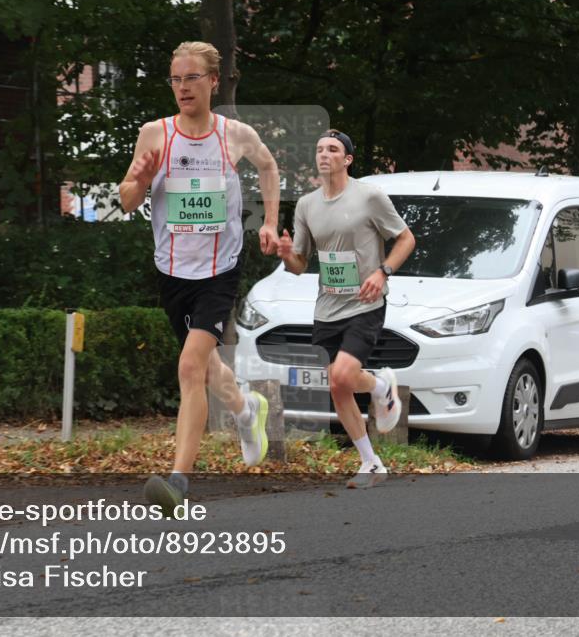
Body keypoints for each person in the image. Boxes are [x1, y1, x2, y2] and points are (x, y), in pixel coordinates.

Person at [118, 41, 281, 514]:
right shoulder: (155, 134)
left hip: (219, 271)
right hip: (172, 272)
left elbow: (269, 167)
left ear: (213, 81)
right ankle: (247, 409)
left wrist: (268, 222)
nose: (183, 87)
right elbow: (127, 200)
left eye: (192, 78)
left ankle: (178, 482)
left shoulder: (235, 135)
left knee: (191, 367)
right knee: (208, 369)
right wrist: (142, 181)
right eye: (175, 78)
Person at [276, 129, 415, 489]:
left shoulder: (369, 196)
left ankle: (381, 386)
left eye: (333, 149)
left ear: (347, 159)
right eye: (319, 149)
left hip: (365, 303)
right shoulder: (307, 204)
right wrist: (285, 252)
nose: (324, 154)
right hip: (327, 307)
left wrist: (382, 272)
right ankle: (371, 463)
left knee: (341, 376)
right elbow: (300, 263)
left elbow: (405, 238)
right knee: (338, 388)